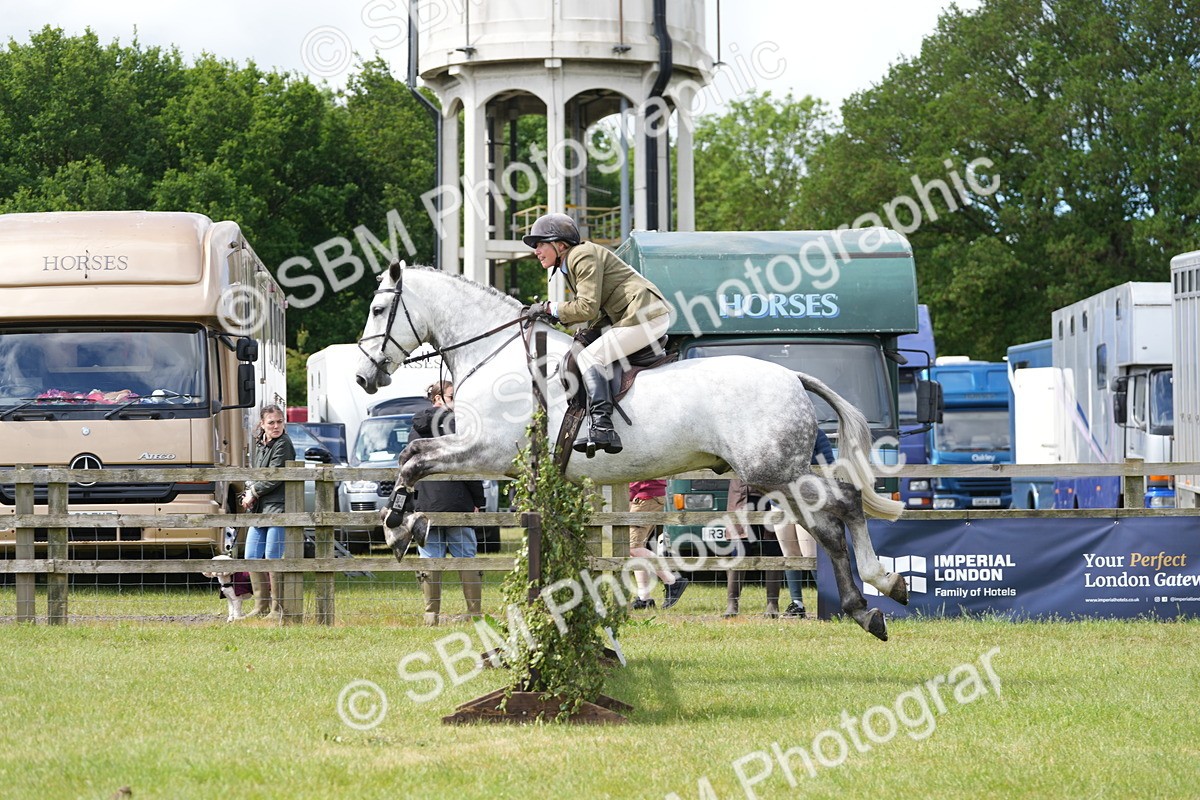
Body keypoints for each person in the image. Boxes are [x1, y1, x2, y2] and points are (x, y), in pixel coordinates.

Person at [523, 213, 671, 457]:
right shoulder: (571, 261)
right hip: (631, 315)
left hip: (643, 315)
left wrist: (551, 308)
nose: (536, 251)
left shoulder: (581, 255)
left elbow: (585, 308)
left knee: (590, 357)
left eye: (540, 244)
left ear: (560, 245)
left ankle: (603, 425)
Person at [410, 381, 485, 626]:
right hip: (458, 502)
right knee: (466, 558)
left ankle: (431, 616)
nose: (457, 401)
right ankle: (474, 614)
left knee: (430, 560)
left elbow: (410, 466)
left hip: (427, 504)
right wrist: (478, 500)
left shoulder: (416, 430)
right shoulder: (458, 426)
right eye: (453, 396)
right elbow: (468, 467)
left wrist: (415, 499)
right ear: (438, 399)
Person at [771, 428, 835, 618]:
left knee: (810, 555)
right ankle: (796, 603)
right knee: (790, 554)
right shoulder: (775, 434)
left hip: (807, 501)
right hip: (780, 501)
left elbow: (829, 465)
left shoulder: (816, 434)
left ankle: (828, 602)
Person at [241, 404, 295, 619]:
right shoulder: (260, 444)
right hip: (259, 508)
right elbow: (256, 473)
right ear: (262, 424)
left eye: (279, 422)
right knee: (251, 556)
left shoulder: (283, 444)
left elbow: (274, 476)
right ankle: (260, 605)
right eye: (271, 422)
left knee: (273, 556)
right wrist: (249, 490)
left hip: (278, 507)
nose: (275, 426)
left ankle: (277, 608)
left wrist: (253, 491)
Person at [627, 480, 688, 610]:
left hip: (645, 496)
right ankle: (644, 598)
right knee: (637, 549)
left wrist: (629, 496)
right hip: (650, 495)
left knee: (633, 547)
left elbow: (637, 470)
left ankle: (672, 581)